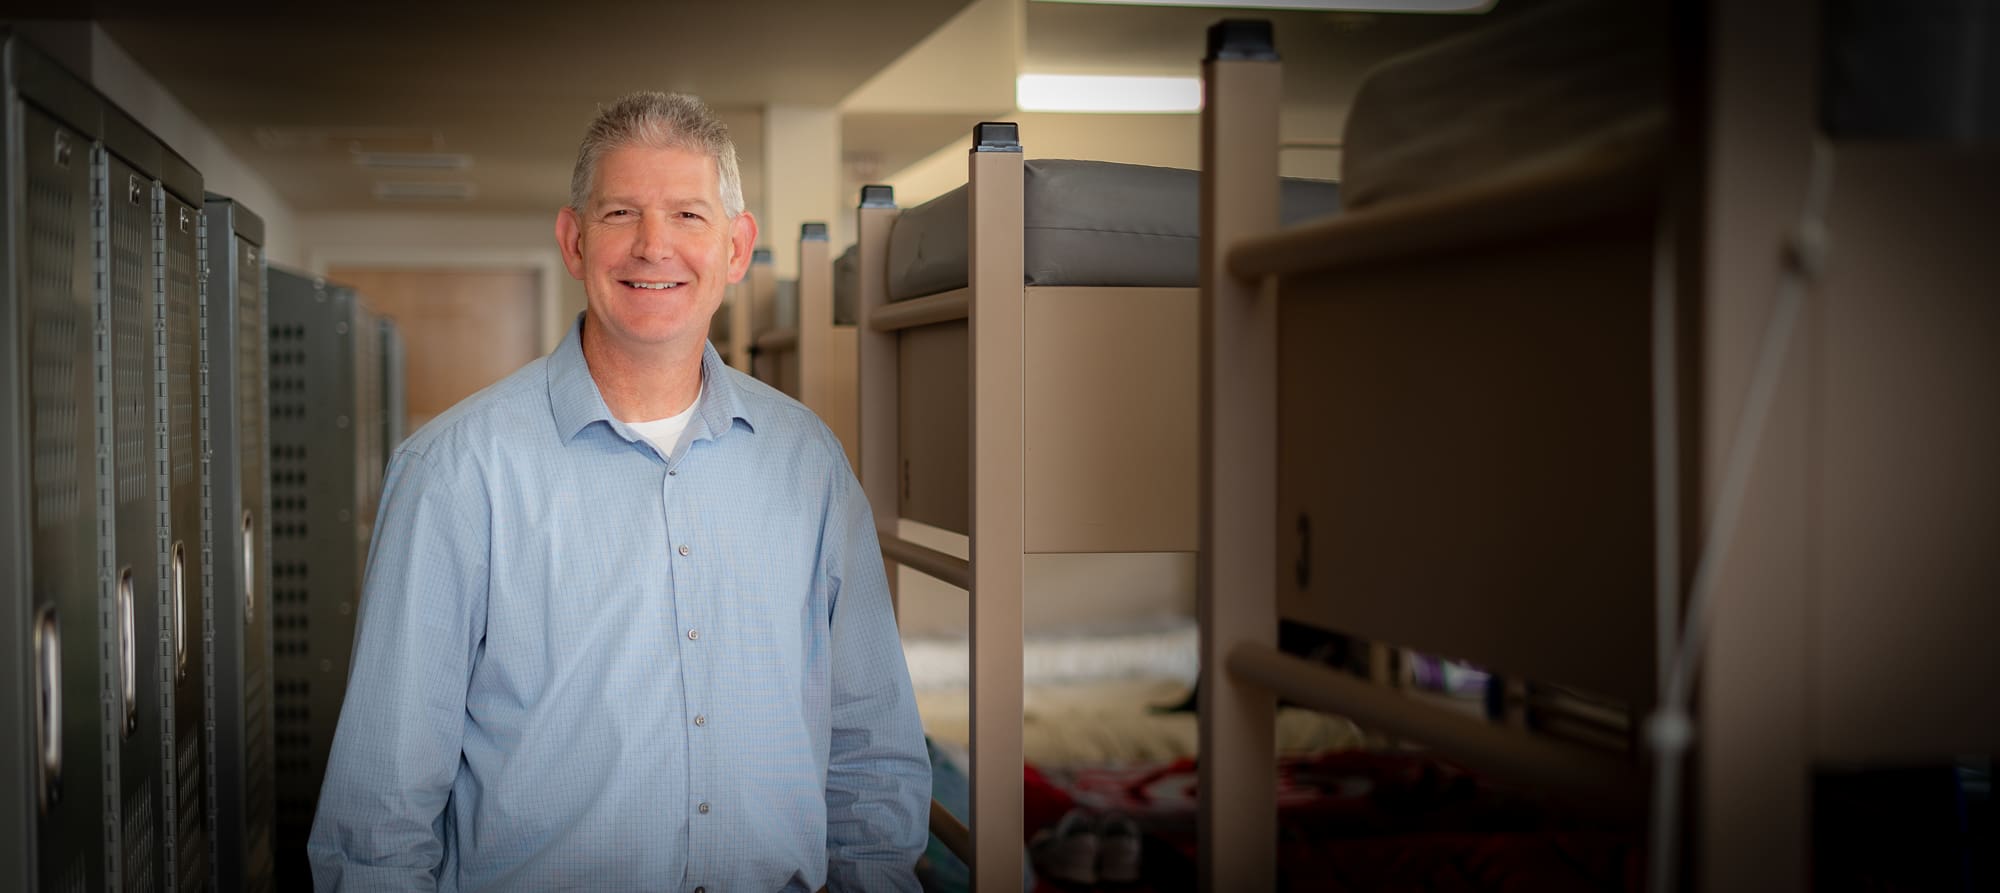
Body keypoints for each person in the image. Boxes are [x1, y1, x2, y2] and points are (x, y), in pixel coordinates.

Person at [307, 91, 930, 892]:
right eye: (621, 214)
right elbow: (380, 816)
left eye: (688, 217)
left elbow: (871, 749)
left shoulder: (808, 464)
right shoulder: (453, 474)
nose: (653, 246)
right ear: (573, 241)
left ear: (737, 248)